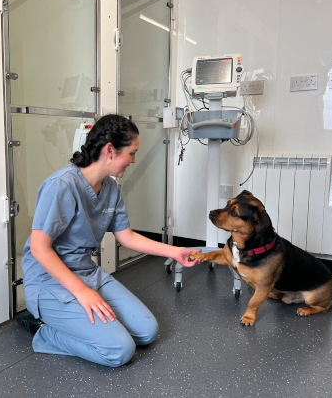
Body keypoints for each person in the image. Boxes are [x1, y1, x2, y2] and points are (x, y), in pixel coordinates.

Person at [17, 114, 202, 367]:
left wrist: (174, 251)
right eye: (132, 153)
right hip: (49, 281)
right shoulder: (61, 185)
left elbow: (127, 237)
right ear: (110, 150)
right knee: (119, 350)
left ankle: (88, 322)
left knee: (147, 332)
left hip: (86, 272)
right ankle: (43, 332)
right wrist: (82, 292)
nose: (134, 160)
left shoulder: (111, 189)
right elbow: (39, 248)